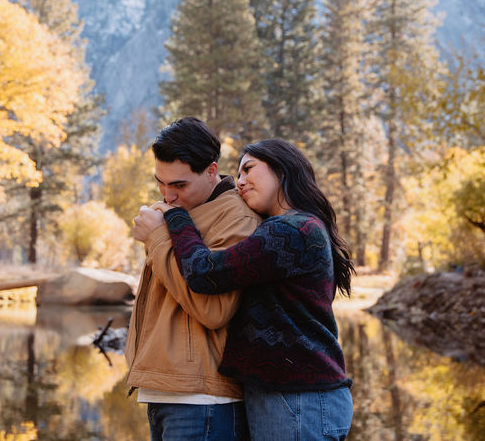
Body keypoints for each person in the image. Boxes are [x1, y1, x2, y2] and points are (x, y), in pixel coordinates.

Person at [133, 138, 355, 441]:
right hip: (287, 393)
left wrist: (173, 218)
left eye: (248, 169)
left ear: (283, 169)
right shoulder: (289, 227)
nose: (240, 182)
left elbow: (205, 272)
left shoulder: (291, 231)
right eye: (237, 175)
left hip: (299, 396)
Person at [125, 117, 261, 440]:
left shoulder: (236, 219)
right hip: (166, 391)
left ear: (212, 172)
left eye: (179, 185)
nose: (167, 195)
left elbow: (213, 310)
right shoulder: (180, 213)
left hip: (204, 400)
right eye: (161, 182)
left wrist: (157, 240)